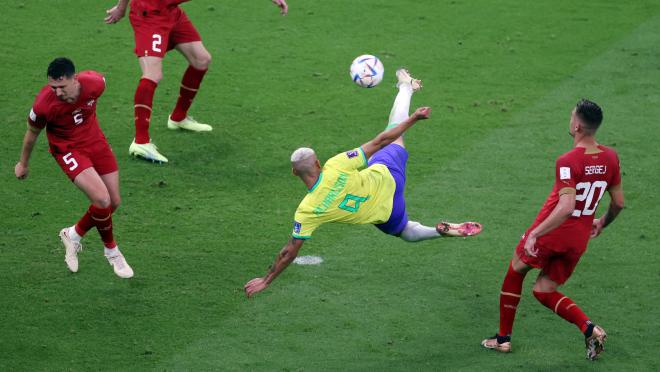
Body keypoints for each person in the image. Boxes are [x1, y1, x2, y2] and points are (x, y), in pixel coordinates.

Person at [244, 69, 482, 297]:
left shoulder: (307, 211)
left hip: (384, 211)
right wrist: (414, 119)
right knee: (392, 132)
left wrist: (266, 280)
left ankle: (435, 232)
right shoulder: (335, 164)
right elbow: (381, 141)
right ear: (318, 163)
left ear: (294, 173)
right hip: (389, 175)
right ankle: (406, 88)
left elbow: (289, 252)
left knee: (406, 232)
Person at [481, 99, 624, 360]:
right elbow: (619, 203)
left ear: (578, 125)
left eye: (571, 116)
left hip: (553, 232)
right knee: (544, 289)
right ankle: (589, 328)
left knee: (516, 270)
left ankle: (503, 340)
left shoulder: (568, 160)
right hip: (579, 239)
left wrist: (535, 233)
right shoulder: (611, 157)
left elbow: (567, 206)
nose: (569, 120)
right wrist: (602, 222)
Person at [104, 0, 289, 163]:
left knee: (201, 59)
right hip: (150, 14)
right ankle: (141, 142)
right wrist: (122, 7)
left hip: (171, 12)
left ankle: (178, 118)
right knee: (153, 74)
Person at [15, 57, 134, 279]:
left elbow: (98, 88)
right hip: (68, 149)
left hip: (95, 142)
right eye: (53, 87)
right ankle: (112, 252)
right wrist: (23, 163)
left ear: (74, 79)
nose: (58, 92)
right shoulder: (43, 104)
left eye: (61, 86)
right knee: (102, 199)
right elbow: (31, 134)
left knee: (113, 202)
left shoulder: (96, 83)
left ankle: (73, 234)